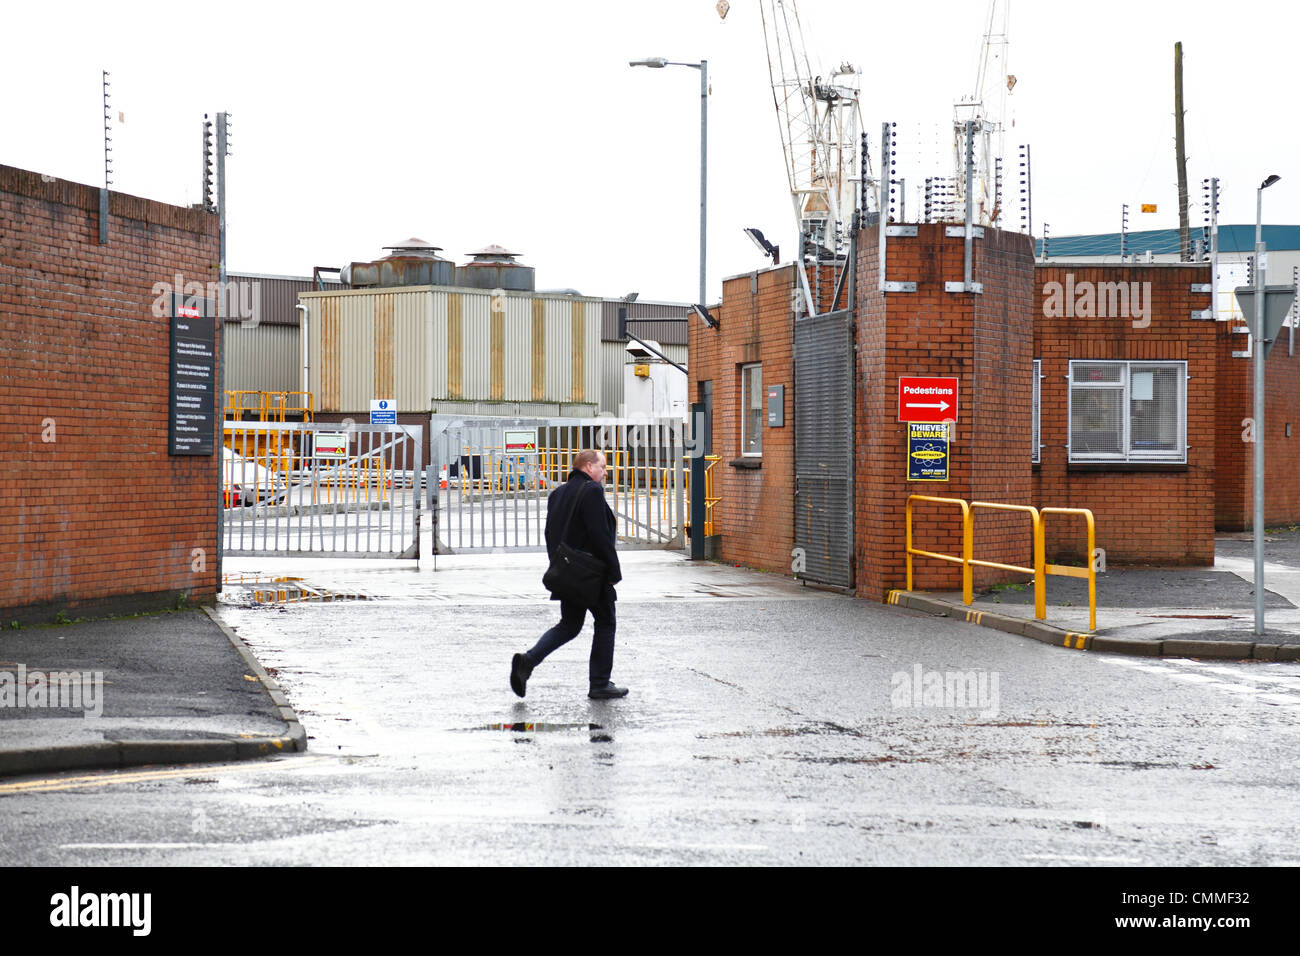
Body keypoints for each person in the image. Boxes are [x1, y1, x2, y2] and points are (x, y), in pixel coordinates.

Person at [510, 449, 628, 700]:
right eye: (603, 467)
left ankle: (528, 661)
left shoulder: (558, 494)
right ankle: (599, 683)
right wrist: (613, 571)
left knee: (569, 625)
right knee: (606, 622)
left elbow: (550, 534)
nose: (605, 473)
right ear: (587, 467)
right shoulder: (592, 491)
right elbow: (599, 536)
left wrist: (560, 566)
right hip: (593, 574)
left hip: (569, 572)